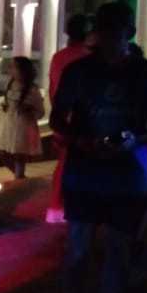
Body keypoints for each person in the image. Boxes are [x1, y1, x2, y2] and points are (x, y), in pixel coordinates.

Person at [43, 2, 147, 293]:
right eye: (104, 31)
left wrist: (136, 140)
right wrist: (78, 139)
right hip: (84, 172)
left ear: (128, 33)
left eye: (116, 32)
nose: (109, 39)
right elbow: (56, 119)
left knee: (120, 252)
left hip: (129, 176)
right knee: (78, 248)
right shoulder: (79, 71)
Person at [45, 15, 93, 223]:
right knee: (75, 164)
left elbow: (52, 88)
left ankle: (57, 205)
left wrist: (57, 114)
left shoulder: (59, 56)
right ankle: (61, 207)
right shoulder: (88, 58)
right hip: (82, 119)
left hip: (62, 116)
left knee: (64, 163)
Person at [0, 57, 44, 180]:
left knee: (19, 157)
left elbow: (40, 112)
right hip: (10, 124)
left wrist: (29, 110)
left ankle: (19, 178)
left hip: (23, 127)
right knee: (2, 155)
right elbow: (9, 103)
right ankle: (21, 178)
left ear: (23, 70)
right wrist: (6, 106)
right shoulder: (10, 84)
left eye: (13, 67)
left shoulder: (32, 89)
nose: (10, 69)